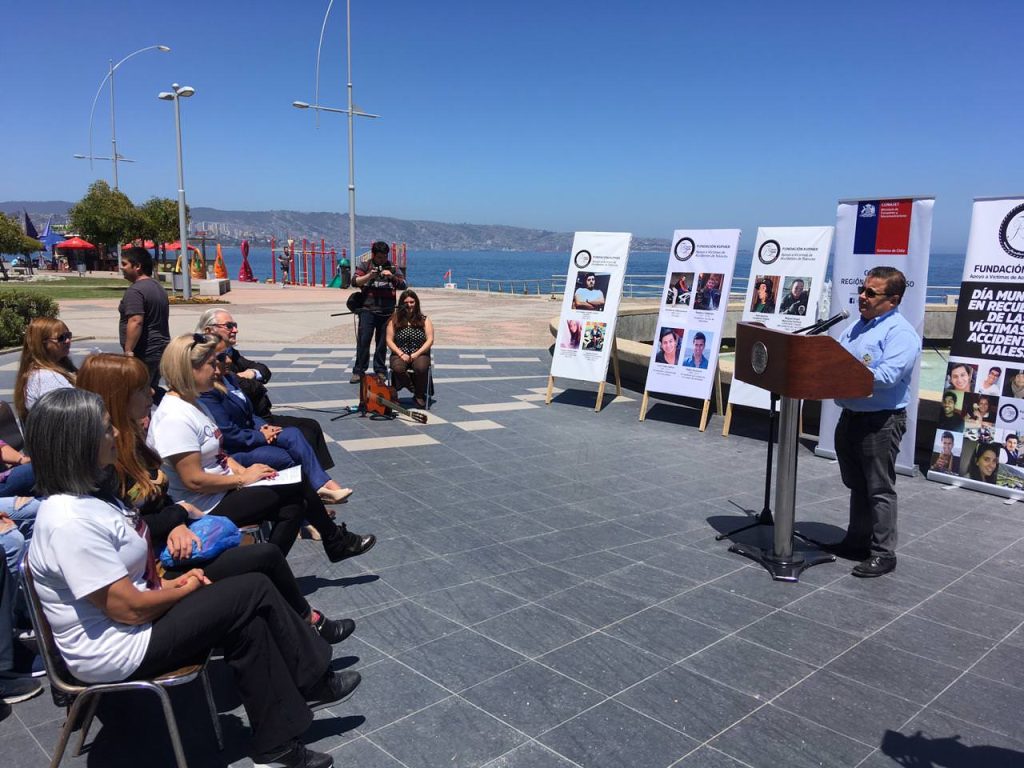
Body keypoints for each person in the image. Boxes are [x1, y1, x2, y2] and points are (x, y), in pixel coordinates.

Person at [26, 388, 359, 768]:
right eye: (105, 430)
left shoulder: (92, 498)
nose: (116, 434)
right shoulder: (70, 521)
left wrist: (171, 584)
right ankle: (313, 682)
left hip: (137, 622)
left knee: (247, 614)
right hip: (118, 650)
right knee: (251, 589)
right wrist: (184, 588)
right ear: (78, 443)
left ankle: (277, 742)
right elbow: (129, 610)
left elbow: (129, 588)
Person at [76, 353, 355, 644]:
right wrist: (181, 516)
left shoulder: (133, 443)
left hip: (176, 535)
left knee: (288, 508)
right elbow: (157, 506)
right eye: (140, 389)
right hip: (171, 551)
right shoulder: (108, 465)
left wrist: (175, 520)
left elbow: (154, 505)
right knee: (286, 508)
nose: (150, 393)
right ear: (117, 396)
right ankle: (313, 600)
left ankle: (307, 626)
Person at [146, 334, 375, 561]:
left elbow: (219, 454)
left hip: (222, 491)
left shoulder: (193, 403)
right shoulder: (175, 417)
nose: (218, 370)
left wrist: (244, 470)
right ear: (189, 369)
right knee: (297, 482)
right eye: (211, 364)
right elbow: (194, 480)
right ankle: (334, 541)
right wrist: (242, 480)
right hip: (205, 505)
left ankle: (270, 565)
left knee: (294, 506)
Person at [829, 267, 920, 578]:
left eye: (871, 293)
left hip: (881, 420)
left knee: (879, 488)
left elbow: (887, 375)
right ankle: (857, 541)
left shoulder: (901, 333)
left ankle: (884, 553)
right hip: (851, 415)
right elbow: (836, 357)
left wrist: (841, 372)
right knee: (858, 484)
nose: (862, 297)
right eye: (862, 289)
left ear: (892, 300)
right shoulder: (855, 326)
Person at [199, 340, 354, 504]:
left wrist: (264, 427)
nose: (229, 360)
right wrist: (261, 435)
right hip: (236, 448)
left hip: (253, 431)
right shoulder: (209, 391)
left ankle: (325, 486)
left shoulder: (230, 378)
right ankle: (311, 501)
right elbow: (229, 434)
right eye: (223, 357)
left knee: (294, 433)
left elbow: (250, 413)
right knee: (285, 457)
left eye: (228, 355)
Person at [197, 308, 336, 473]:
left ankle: (321, 480)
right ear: (209, 330)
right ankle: (314, 481)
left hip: (258, 418)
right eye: (229, 326)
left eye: (235, 325)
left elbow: (263, 370)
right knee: (302, 433)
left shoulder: (230, 353)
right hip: (248, 423)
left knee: (311, 426)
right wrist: (249, 381)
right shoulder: (208, 361)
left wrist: (248, 374)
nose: (235, 330)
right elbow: (252, 388)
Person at [351, 241, 406, 383]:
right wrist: (369, 276)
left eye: (385, 257)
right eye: (379, 257)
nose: (382, 260)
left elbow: (404, 285)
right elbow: (355, 281)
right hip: (367, 310)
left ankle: (380, 370)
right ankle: (359, 371)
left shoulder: (392, 267)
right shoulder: (365, 265)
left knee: (382, 343)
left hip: (387, 312)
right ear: (373, 255)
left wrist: (391, 277)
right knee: (363, 341)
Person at [119, 247, 170, 395]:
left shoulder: (135, 291)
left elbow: (136, 321)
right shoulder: (158, 288)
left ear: (137, 266)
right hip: (160, 350)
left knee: (137, 395)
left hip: (144, 353)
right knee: (149, 392)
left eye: (125, 264)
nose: (121, 268)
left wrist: (128, 351)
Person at [13, 317, 76, 421]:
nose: (68, 340)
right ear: (42, 344)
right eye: (61, 338)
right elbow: (72, 413)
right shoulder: (45, 377)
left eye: (68, 335)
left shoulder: (56, 368)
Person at [386, 289, 434, 409]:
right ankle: (416, 391)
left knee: (421, 367)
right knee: (397, 368)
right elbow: (389, 340)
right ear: (401, 303)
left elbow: (430, 340)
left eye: (412, 302)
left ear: (416, 302)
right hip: (400, 352)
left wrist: (416, 354)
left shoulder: (425, 319)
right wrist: (401, 354)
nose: (409, 305)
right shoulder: (394, 319)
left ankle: (418, 395)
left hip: (420, 352)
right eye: (406, 302)